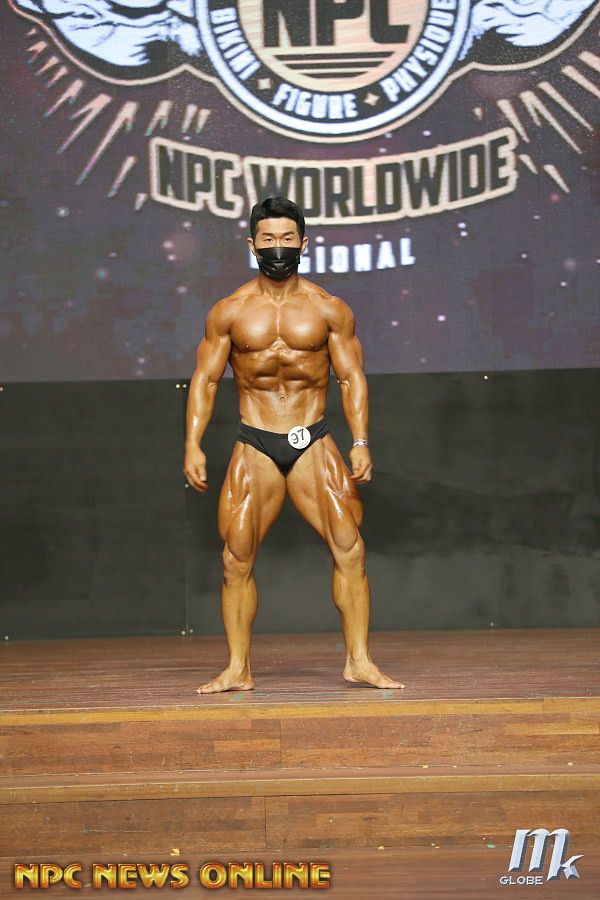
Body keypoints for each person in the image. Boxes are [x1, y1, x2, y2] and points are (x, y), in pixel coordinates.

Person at [183, 197, 404, 694]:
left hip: (312, 438)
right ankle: (238, 668)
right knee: (235, 557)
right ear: (252, 244)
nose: (277, 247)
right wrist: (193, 445)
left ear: (303, 245)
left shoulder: (329, 309)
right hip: (255, 441)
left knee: (350, 548)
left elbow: (351, 377)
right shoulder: (229, 311)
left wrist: (361, 441)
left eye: (287, 239)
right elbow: (206, 379)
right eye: (268, 239)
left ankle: (359, 661)